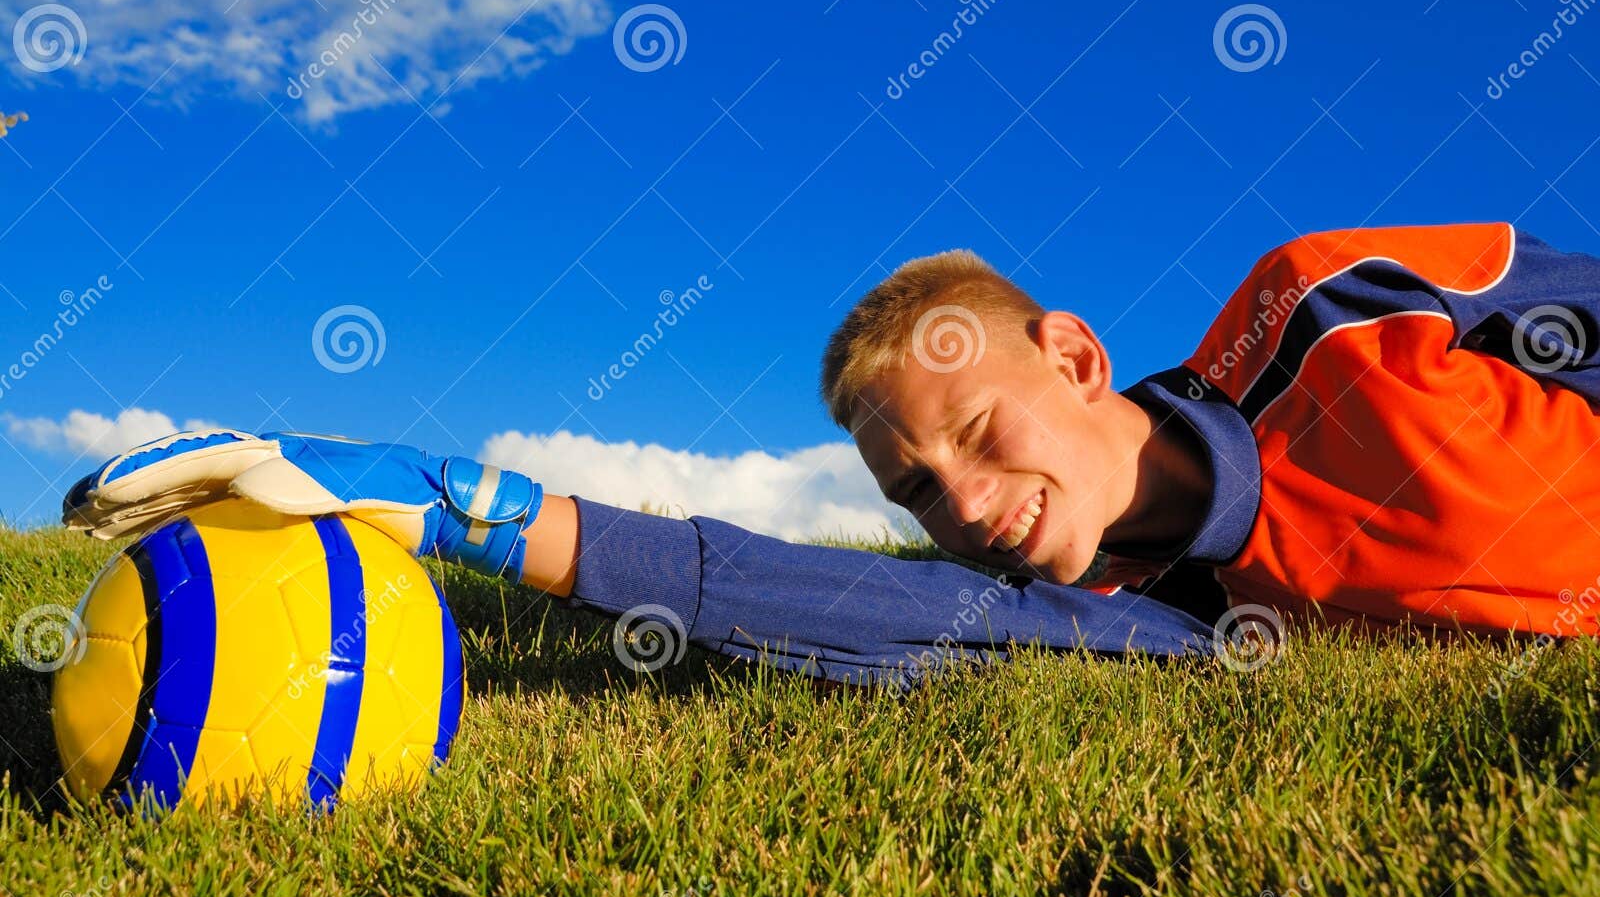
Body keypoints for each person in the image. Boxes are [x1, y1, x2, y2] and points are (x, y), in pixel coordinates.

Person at [60, 222, 1600, 688]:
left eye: (977, 436)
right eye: (916, 492)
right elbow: (814, 595)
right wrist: (453, 503)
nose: (968, 508)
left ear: (1073, 356)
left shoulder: (1329, 306)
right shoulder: (1146, 618)